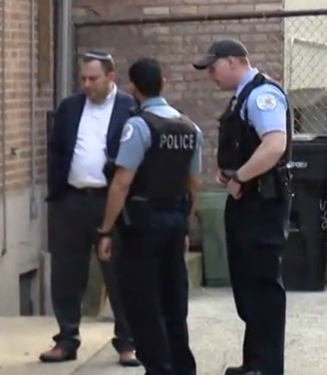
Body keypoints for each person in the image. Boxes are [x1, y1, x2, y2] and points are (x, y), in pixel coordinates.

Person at [193, 39, 292, 375]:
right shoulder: (242, 98)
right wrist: (231, 173)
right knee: (248, 285)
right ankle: (254, 362)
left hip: (261, 205)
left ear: (234, 61)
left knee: (262, 287)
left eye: (213, 67)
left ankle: (265, 367)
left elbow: (275, 144)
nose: (210, 75)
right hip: (247, 202)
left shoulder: (263, 96)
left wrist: (241, 178)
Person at [96, 57, 199, 375]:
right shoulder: (189, 127)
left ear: (134, 88)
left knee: (143, 303)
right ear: (163, 83)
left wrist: (106, 230)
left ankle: (158, 368)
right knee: (174, 302)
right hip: (174, 220)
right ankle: (182, 367)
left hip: (142, 224)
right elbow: (193, 183)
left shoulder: (139, 126)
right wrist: (184, 226)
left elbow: (122, 183)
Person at [42, 50, 140, 367]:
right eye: (83, 78)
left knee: (120, 273)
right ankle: (66, 338)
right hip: (70, 199)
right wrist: (56, 189)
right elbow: (56, 149)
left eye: (93, 79)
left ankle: (127, 342)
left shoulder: (129, 108)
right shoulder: (70, 107)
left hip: (110, 201)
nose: (87, 85)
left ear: (111, 77)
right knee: (66, 273)